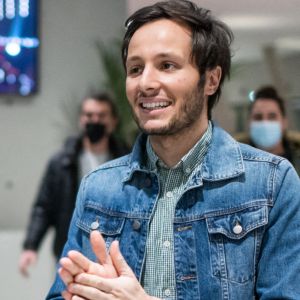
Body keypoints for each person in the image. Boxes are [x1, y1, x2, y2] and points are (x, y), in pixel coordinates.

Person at [47, 1, 300, 299]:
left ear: (211, 79)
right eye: (135, 69)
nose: (146, 83)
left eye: (167, 65)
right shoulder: (98, 189)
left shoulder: (271, 184)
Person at [18, 93, 130, 277]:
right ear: (81, 119)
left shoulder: (129, 160)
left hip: (116, 252)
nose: (95, 120)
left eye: (101, 116)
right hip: (71, 248)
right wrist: (31, 246)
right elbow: (44, 207)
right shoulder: (62, 162)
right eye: (89, 115)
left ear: (113, 120)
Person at [236, 85, 300, 174]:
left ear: (284, 122)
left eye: (272, 117)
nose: (265, 123)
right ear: (248, 124)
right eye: (258, 117)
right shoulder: (234, 164)